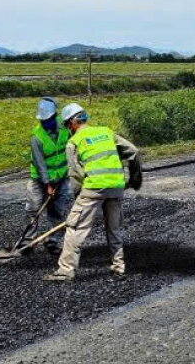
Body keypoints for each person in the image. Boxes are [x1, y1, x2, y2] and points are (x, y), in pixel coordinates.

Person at [46, 103, 141, 282]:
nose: (68, 130)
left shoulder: (73, 142)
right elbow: (134, 152)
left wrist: (78, 200)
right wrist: (134, 179)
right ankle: (119, 267)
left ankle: (65, 271)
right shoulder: (106, 132)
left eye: (67, 126)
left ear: (71, 123)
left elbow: (76, 174)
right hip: (116, 187)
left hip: (94, 188)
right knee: (114, 228)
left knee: (74, 228)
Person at [25, 97, 72, 256]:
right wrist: (48, 185)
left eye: (49, 120)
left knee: (57, 211)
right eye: (43, 120)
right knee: (34, 209)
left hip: (62, 177)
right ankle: (27, 242)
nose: (46, 123)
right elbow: (40, 164)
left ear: (54, 116)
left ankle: (53, 241)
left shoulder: (65, 127)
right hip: (39, 179)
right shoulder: (36, 137)